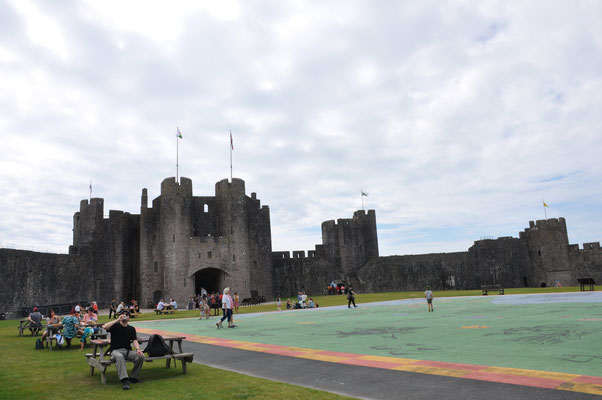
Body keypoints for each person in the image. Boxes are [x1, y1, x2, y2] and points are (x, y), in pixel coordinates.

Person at [103, 311, 144, 390]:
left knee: (140, 357)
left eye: (127, 315)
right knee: (119, 356)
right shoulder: (115, 326)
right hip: (115, 351)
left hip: (127, 351)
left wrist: (138, 349)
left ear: (129, 318)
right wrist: (117, 319)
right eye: (123, 314)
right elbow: (105, 327)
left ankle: (133, 377)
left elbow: (134, 340)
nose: (124, 316)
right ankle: (125, 380)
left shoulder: (131, 329)